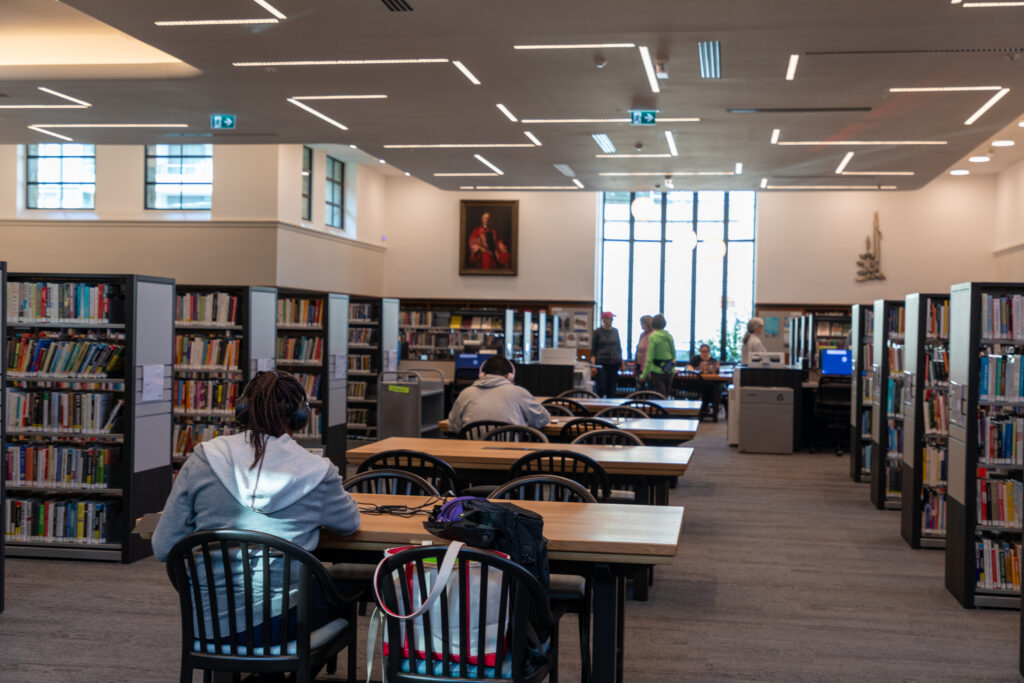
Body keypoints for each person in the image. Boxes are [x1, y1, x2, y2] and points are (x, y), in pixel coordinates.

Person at [152, 370, 361, 645]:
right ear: (300, 416)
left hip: (209, 621)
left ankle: (264, 674)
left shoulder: (203, 458)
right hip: (281, 620)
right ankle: (286, 670)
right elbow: (349, 524)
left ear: (242, 409)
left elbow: (164, 546)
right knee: (348, 588)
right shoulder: (317, 472)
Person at [447, 355, 550, 433]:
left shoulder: (466, 393)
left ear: (483, 375)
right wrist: (523, 423)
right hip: (512, 455)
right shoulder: (519, 392)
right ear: (509, 376)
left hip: (472, 453)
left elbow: (453, 426)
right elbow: (543, 419)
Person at [639, 314, 676, 398]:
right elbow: (673, 354)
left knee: (659, 397)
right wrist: (671, 368)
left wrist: (644, 375)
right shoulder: (668, 336)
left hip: (657, 371)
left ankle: (660, 410)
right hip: (669, 370)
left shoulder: (653, 337)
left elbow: (649, 358)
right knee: (666, 395)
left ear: (652, 324)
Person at [591, 311, 624, 397]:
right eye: (609, 318)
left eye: (611, 318)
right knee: (601, 386)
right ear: (604, 319)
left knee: (612, 386)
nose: (611, 320)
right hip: (601, 362)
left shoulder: (615, 331)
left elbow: (619, 347)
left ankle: (611, 406)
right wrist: (593, 365)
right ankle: (600, 404)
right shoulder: (598, 332)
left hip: (614, 363)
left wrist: (622, 362)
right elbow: (593, 350)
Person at [634, 315, 653, 388]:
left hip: (647, 367)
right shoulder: (642, 335)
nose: (641, 326)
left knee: (648, 388)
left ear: (647, 324)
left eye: (642, 324)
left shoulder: (653, 335)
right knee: (639, 387)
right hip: (639, 365)